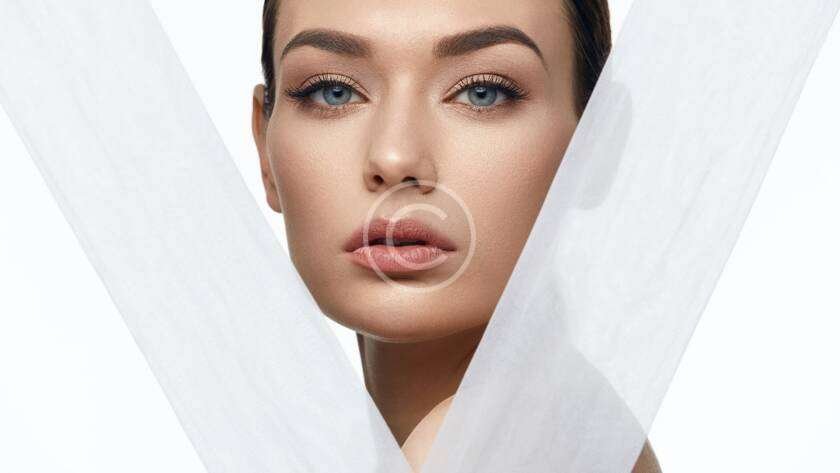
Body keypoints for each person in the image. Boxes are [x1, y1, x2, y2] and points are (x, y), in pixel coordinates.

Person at [251, 0, 660, 470]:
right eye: (333, 92)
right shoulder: (571, 425)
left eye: (483, 92)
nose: (394, 157)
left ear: (595, 144)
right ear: (265, 151)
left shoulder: (477, 452)